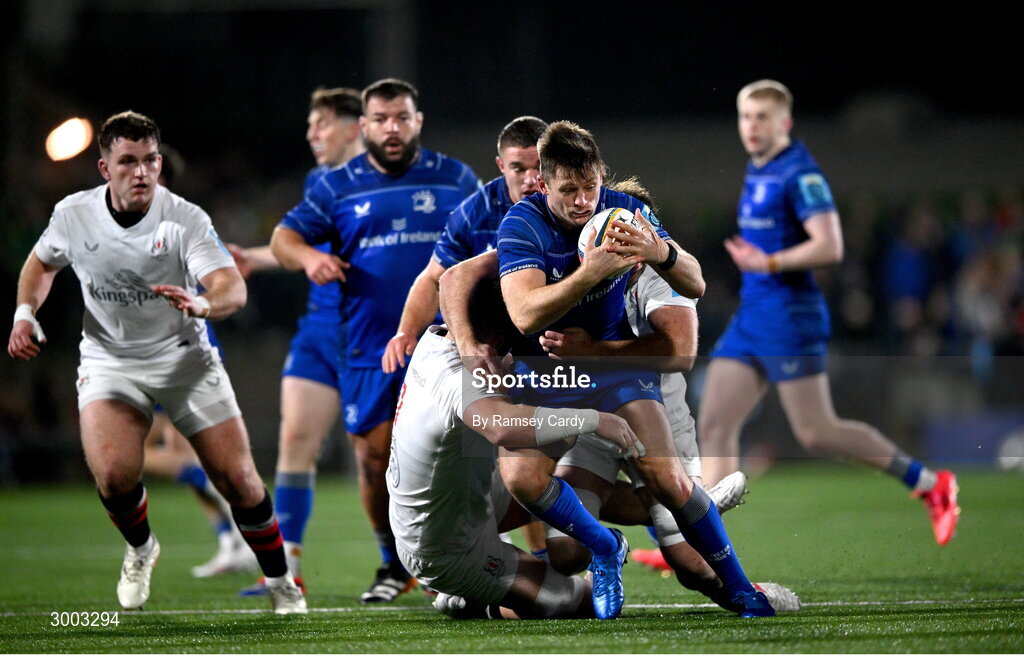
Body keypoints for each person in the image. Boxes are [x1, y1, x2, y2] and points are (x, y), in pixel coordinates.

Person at [444, 121, 774, 618]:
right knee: (522, 478)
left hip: (615, 370)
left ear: (602, 176)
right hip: (550, 370)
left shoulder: (626, 212)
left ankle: (741, 586)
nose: (582, 202)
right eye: (568, 191)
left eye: (590, 187)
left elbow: (697, 283)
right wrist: (590, 274)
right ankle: (606, 548)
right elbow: (526, 314)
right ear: (544, 184)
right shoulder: (522, 224)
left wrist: (658, 251)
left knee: (669, 483)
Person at [7, 111, 306, 613]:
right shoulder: (73, 214)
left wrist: (205, 303)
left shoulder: (184, 217)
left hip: (184, 360)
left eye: (149, 161)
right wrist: (23, 313)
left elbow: (231, 285)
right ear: (105, 168)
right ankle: (142, 549)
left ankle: (280, 580)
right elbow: (41, 262)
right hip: (109, 361)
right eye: (128, 161)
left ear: (160, 163)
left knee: (241, 482)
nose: (141, 172)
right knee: (113, 474)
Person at [697, 79, 960, 546]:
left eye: (763, 117)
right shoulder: (758, 169)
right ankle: (702, 546)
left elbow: (830, 245)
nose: (752, 126)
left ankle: (930, 486)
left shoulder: (800, 174)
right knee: (715, 421)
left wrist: (769, 262)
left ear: (785, 123)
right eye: (746, 116)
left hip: (790, 315)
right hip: (753, 314)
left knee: (817, 432)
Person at [270, 79, 481, 603]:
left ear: (418, 121)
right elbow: (283, 239)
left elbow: (489, 243)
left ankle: (473, 554)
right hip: (367, 345)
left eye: (402, 118)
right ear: (363, 127)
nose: (392, 128)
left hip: (444, 341)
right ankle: (394, 562)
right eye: (381, 119)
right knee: (372, 456)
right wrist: (309, 258)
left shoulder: (455, 178)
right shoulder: (335, 185)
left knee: (470, 450)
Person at [389, 277, 643, 620]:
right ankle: (473, 598)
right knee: (580, 602)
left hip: (461, 498)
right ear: (496, 341)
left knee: (557, 478)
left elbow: (457, 274)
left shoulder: (437, 337)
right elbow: (503, 426)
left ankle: (686, 509)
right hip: (444, 548)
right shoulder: (457, 379)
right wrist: (594, 419)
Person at [382, 114, 550, 558]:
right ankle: (517, 556)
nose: (532, 178)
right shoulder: (475, 211)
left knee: (565, 455)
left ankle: (670, 518)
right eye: (519, 168)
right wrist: (405, 332)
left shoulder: (567, 204)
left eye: (540, 167)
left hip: (550, 349)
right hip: (492, 356)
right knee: (513, 460)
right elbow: (437, 277)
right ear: (500, 165)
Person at [231, 87, 365, 596]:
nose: (311, 134)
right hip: (318, 329)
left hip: (370, 334)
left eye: (322, 124)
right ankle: (285, 571)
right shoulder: (317, 181)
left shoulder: (384, 182)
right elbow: (302, 248)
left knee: (382, 455)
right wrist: (254, 258)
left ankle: (405, 564)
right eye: (310, 126)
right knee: (295, 441)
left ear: (353, 128)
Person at [141, 143, 256, 580]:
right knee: (172, 449)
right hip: (144, 350)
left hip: (180, 348)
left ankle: (245, 511)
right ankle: (230, 538)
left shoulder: (179, 223)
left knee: (157, 452)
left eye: (149, 168)